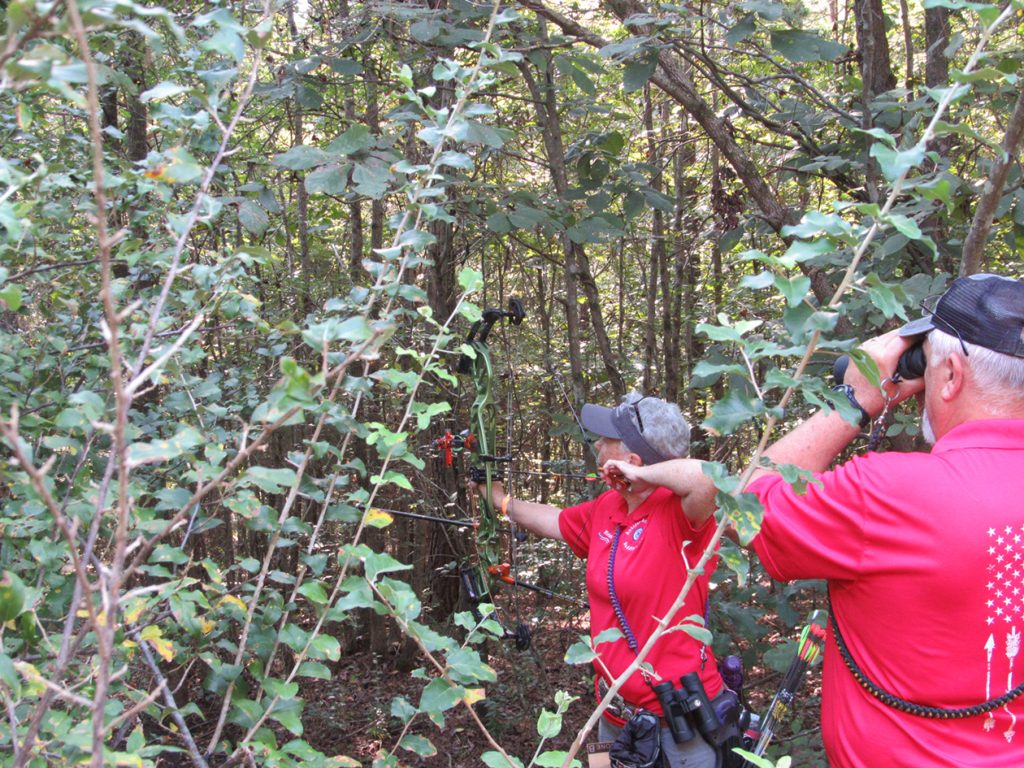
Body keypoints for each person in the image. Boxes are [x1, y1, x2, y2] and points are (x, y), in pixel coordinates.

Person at [604, 273, 1024, 767]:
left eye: (928, 368)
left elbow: (746, 504)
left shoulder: (892, 493)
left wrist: (854, 400)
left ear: (951, 375)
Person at [481, 392, 729, 767]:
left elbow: (710, 479)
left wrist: (642, 474)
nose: (596, 445)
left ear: (632, 460)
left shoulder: (682, 514)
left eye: (606, 440)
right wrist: (499, 500)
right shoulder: (608, 507)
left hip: (680, 723)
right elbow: (554, 519)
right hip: (614, 717)